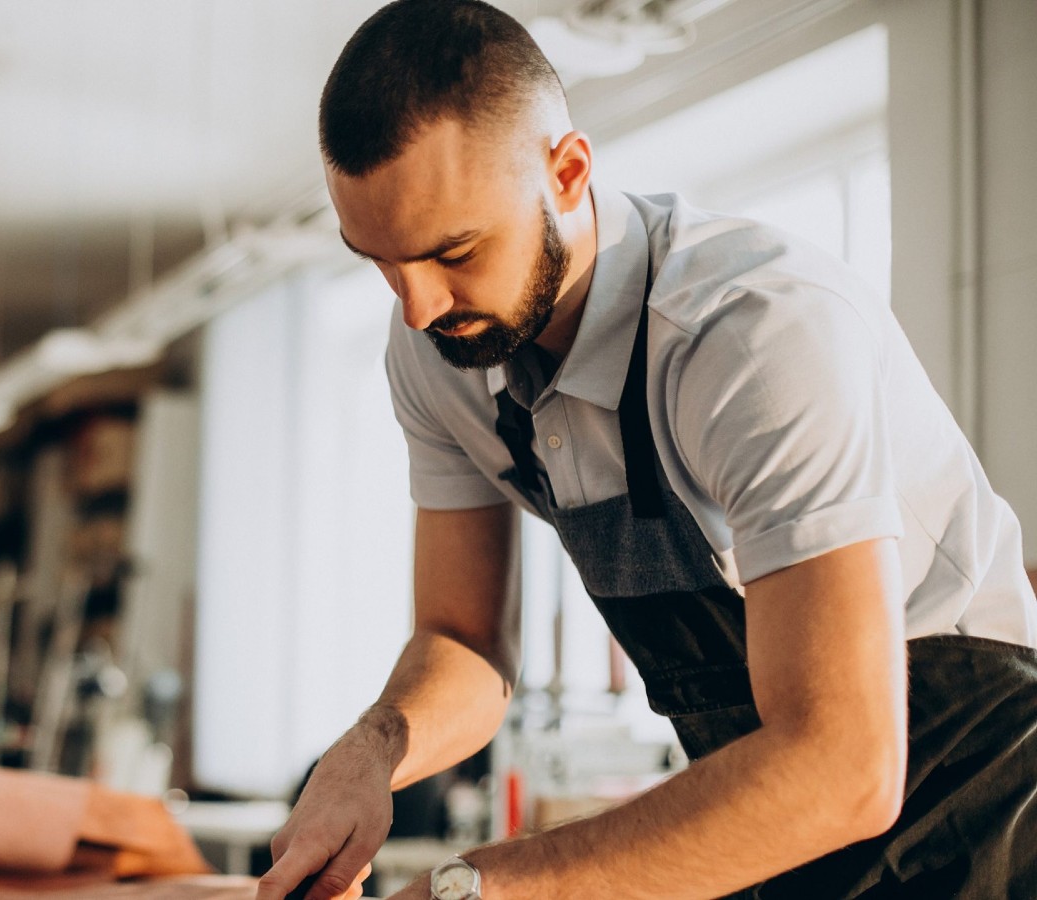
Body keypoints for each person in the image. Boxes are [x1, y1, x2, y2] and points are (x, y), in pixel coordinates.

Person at [257, 2, 1037, 898]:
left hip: (982, 808)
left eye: (456, 251)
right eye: (380, 262)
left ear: (567, 170)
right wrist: (374, 747)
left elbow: (844, 765)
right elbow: (461, 637)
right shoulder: (439, 350)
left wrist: (482, 886)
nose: (419, 308)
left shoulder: (750, 334)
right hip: (779, 830)